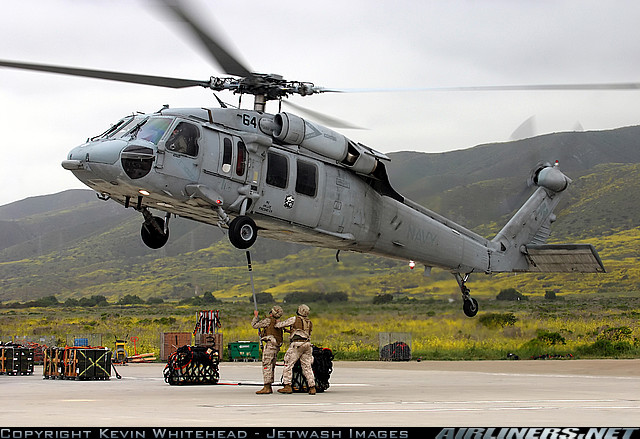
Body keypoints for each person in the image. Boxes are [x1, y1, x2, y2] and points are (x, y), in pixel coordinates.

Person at [275, 304, 316, 395]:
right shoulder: (309, 322)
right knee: (307, 366)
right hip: (307, 345)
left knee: (288, 364)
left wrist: (277, 322)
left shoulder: (294, 319)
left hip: (297, 345)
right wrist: (290, 331)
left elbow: (279, 325)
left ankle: (287, 386)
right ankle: (312, 387)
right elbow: (303, 332)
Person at [251, 305, 284, 394]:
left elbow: (254, 325)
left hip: (270, 345)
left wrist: (256, 317)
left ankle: (267, 386)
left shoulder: (268, 321)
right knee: (272, 366)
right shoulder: (280, 322)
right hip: (276, 346)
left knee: (266, 365)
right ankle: (269, 385)